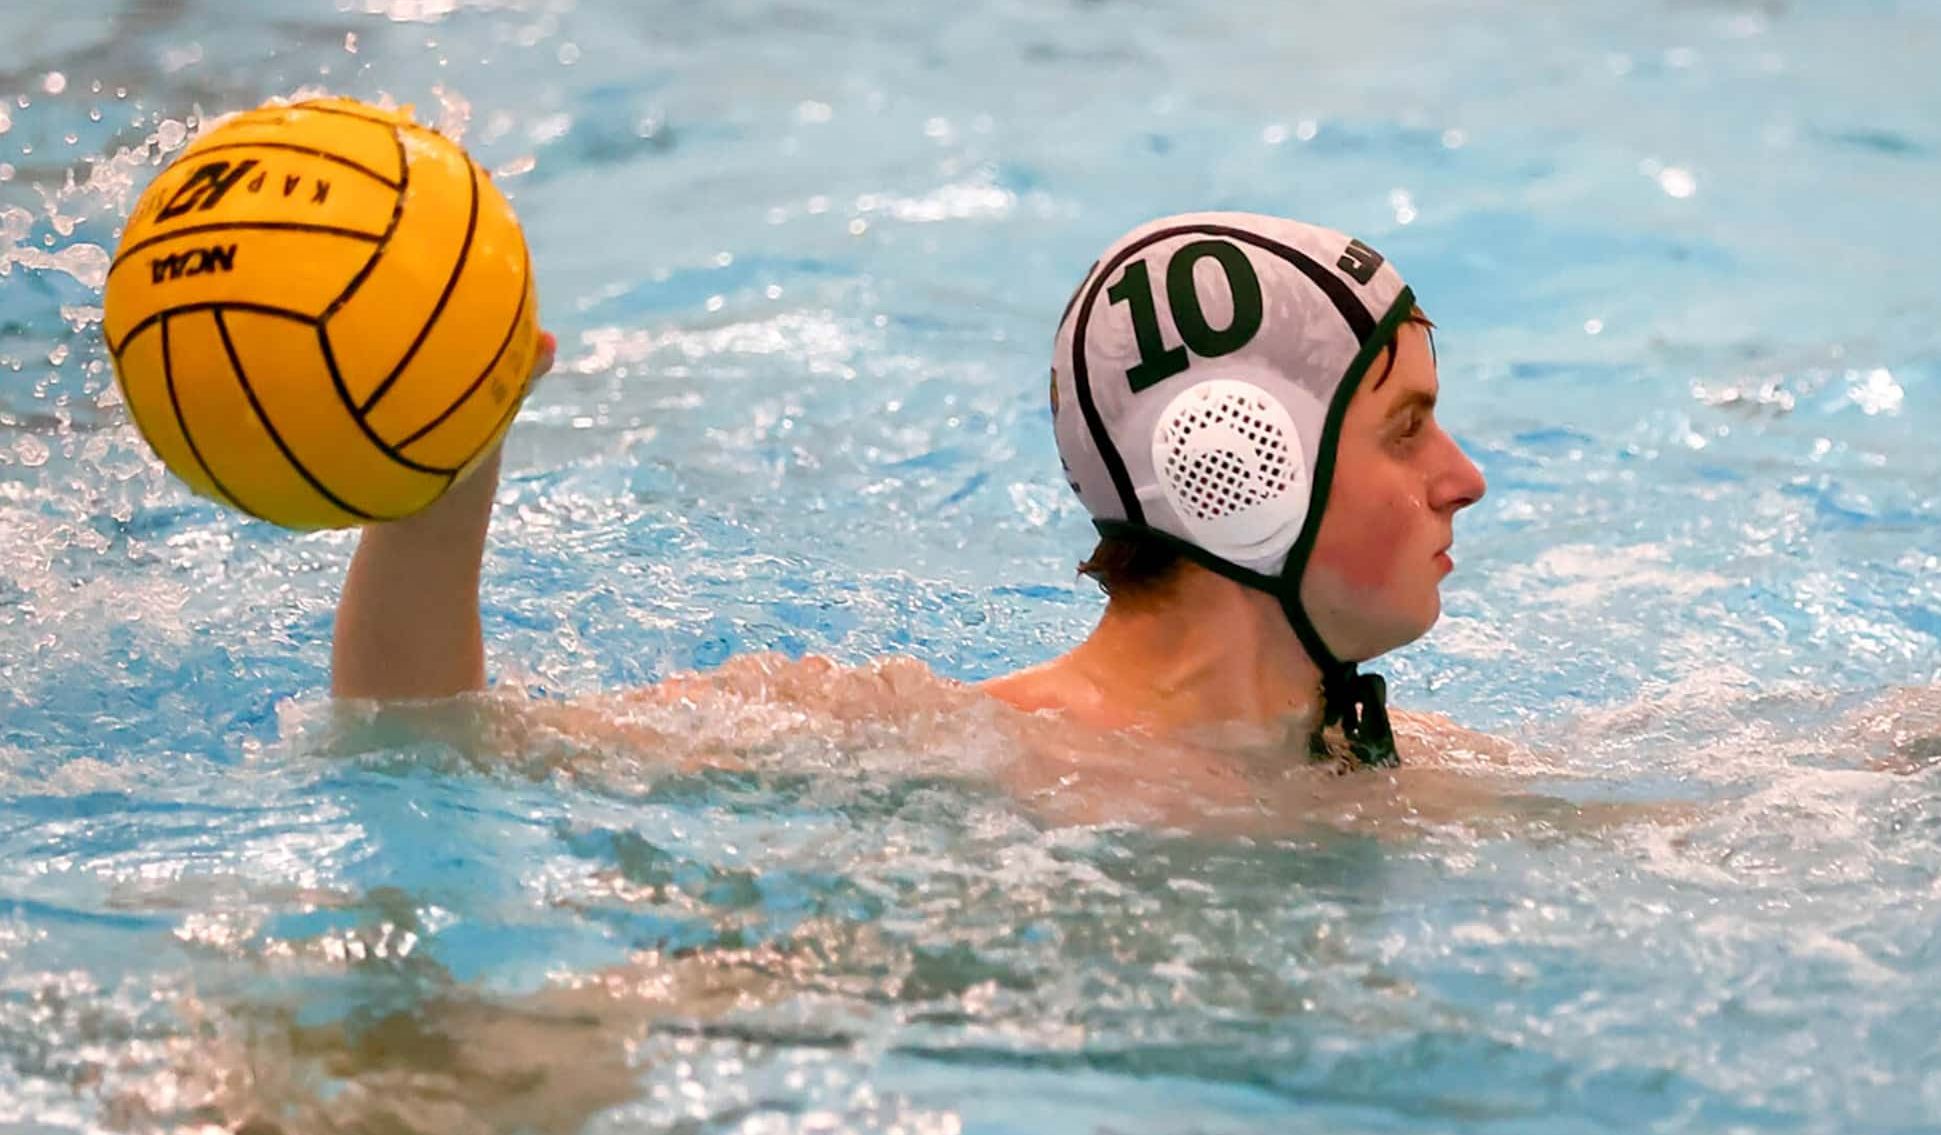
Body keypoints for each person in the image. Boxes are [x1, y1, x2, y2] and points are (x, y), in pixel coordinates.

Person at [330, 211, 1492, 777]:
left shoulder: (1374, 773)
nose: (1462, 478)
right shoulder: (949, 749)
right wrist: (445, 474)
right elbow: (424, 745)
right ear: (1236, 461)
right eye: (1404, 427)